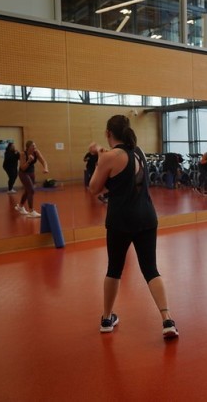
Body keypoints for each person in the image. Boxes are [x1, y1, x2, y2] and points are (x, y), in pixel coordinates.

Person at [88, 114, 179, 339]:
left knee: (114, 270)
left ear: (108, 133)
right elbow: (118, 160)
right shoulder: (138, 151)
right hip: (147, 217)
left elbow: (94, 188)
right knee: (151, 269)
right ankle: (167, 319)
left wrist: (97, 158)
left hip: (121, 220)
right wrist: (100, 153)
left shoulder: (108, 157)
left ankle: (107, 318)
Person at [14, 140, 49, 218]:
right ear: (28, 147)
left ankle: (20, 206)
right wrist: (29, 161)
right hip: (23, 173)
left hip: (31, 173)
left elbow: (44, 161)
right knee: (31, 190)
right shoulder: (23, 154)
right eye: (33, 146)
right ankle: (31, 211)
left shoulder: (36, 152)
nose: (35, 147)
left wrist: (45, 168)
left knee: (28, 190)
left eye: (35, 146)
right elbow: (22, 168)